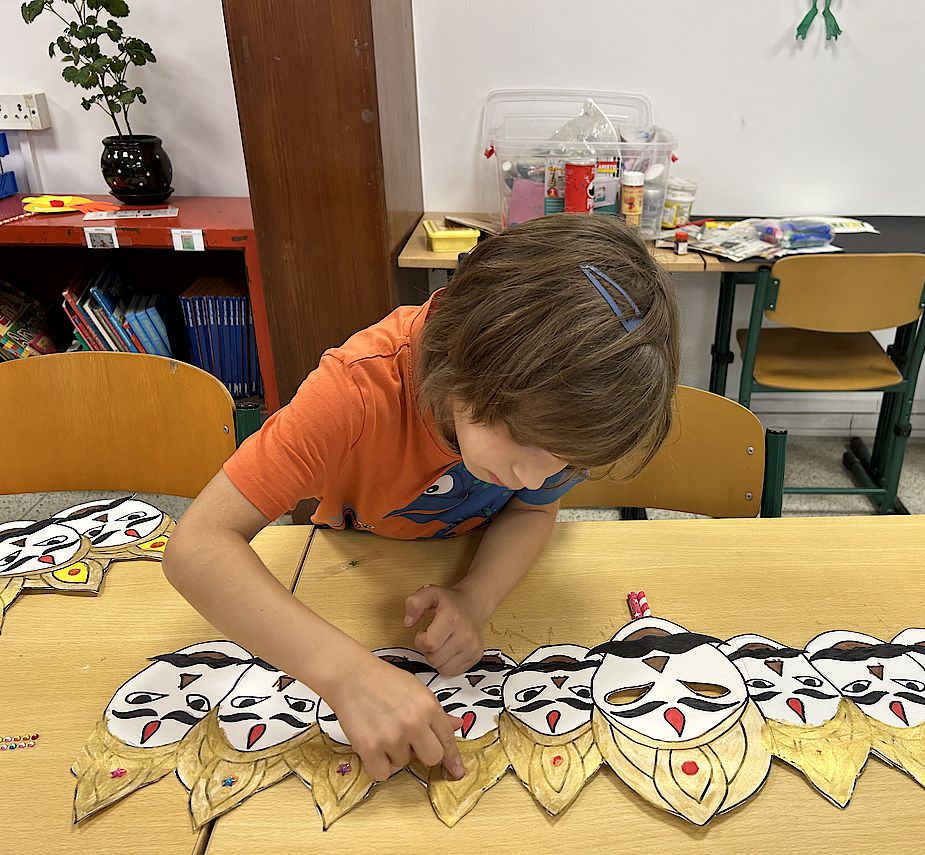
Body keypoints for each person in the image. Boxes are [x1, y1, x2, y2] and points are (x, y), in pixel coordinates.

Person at [164, 213, 680, 784]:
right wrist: (345, 675)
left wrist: (476, 597)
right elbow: (197, 547)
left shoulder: (553, 427)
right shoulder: (356, 392)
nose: (535, 477)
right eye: (525, 440)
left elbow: (533, 509)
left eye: (563, 461)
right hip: (344, 578)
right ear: (469, 358)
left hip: (451, 567)